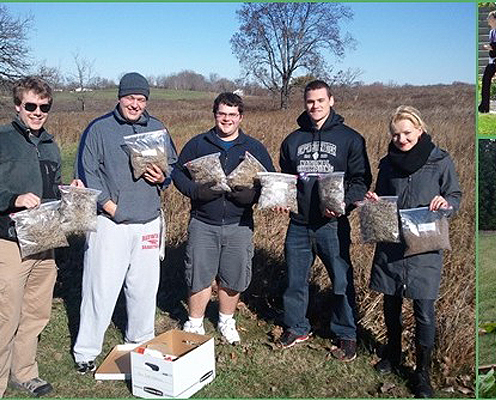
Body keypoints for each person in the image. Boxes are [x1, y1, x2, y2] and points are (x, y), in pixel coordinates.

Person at [73, 73, 178, 373]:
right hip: (111, 223)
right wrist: (108, 205)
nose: (135, 104)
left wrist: (163, 177)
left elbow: (171, 166)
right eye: (130, 98)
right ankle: (86, 351)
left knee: (144, 290)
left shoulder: (158, 128)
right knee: (100, 289)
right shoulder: (99, 129)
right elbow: (87, 170)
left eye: (141, 99)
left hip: (147, 222)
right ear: (120, 97)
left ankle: (140, 343)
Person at [368, 106, 461, 398]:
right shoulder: (387, 163)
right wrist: (374, 200)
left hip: (425, 245)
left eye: (407, 133)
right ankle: (393, 354)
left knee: (424, 310)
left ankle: (422, 372)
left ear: (420, 130)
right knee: (391, 301)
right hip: (392, 242)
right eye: (396, 134)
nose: (401, 139)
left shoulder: (440, 160)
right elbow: (382, 196)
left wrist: (445, 203)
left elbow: (454, 195)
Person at [276, 80, 372, 361]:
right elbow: (287, 179)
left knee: (341, 281)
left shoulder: (350, 138)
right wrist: (282, 198)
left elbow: (361, 181)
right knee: (295, 279)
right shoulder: (292, 140)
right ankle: (296, 327)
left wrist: (343, 205)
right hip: (299, 224)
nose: (315, 106)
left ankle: (346, 334)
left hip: (332, 224)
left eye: (320, 100)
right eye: (310, 101)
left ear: (331, 100)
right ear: (304, 104)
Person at [171, 92, 275, 345]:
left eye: (232, 114)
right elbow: (177, 173)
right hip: (203, 222)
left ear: (240, 117)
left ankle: (226, 321)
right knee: (199, 274)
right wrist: (195, 191)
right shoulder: (198, 144)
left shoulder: (254, 148)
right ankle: (195, 323)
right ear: (214, 114)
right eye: (222, 114)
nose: (226, 119)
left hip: (239, 224)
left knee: (234, 276)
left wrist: (252, 195)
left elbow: (270, 183)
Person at [0, 77, 81, 396]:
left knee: (36, 312)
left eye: (44, 107)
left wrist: (68, 192)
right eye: (31, 106)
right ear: (18, 106)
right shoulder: (3, 139)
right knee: (6, 313)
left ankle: (24, 372)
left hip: (44, 239)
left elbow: (52, 188)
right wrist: (13, 199)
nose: (37, 112)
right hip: (10, 242)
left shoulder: (50, 143)